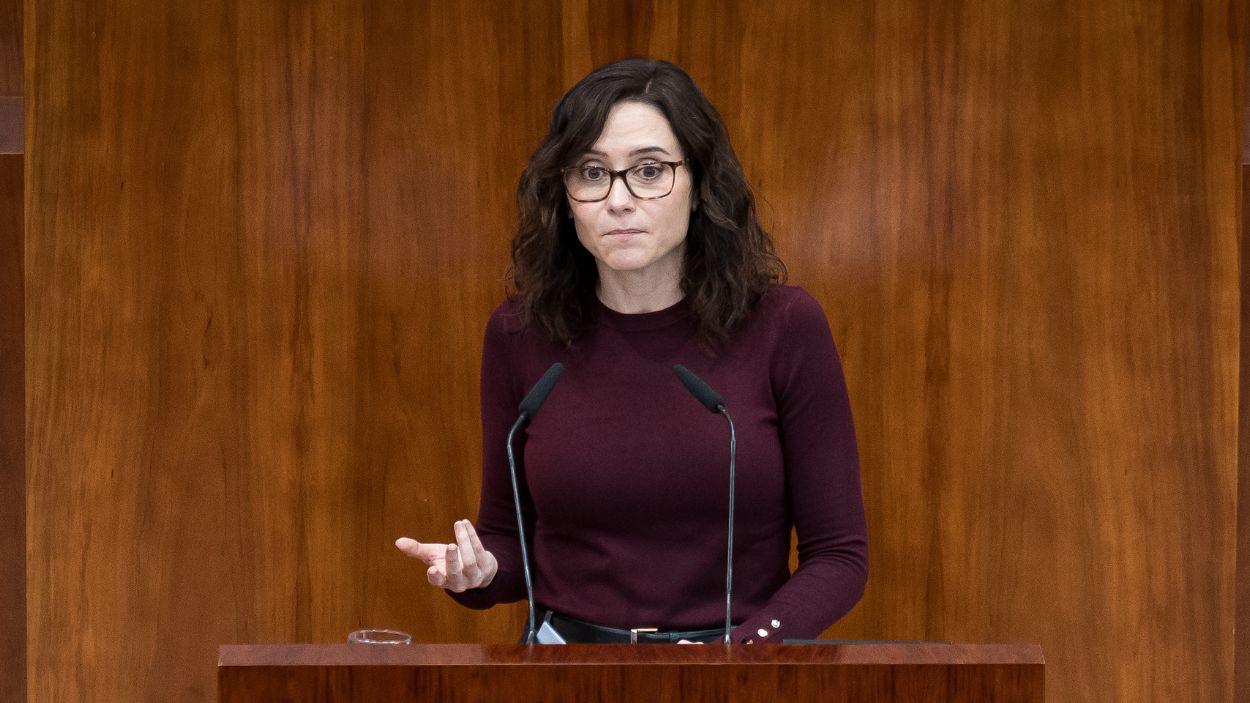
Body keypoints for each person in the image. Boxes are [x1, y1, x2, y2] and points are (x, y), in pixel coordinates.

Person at [396, 57, 867, 644]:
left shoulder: (784, 327)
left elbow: (839, 556)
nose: (618, 200)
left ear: (699, 186)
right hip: (563, 666)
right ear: (565, 197)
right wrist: (480, 571)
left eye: (648, 171)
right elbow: (507, 539)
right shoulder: (521, 333)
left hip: (736, 665)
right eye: (592, 172)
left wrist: (742, 657)